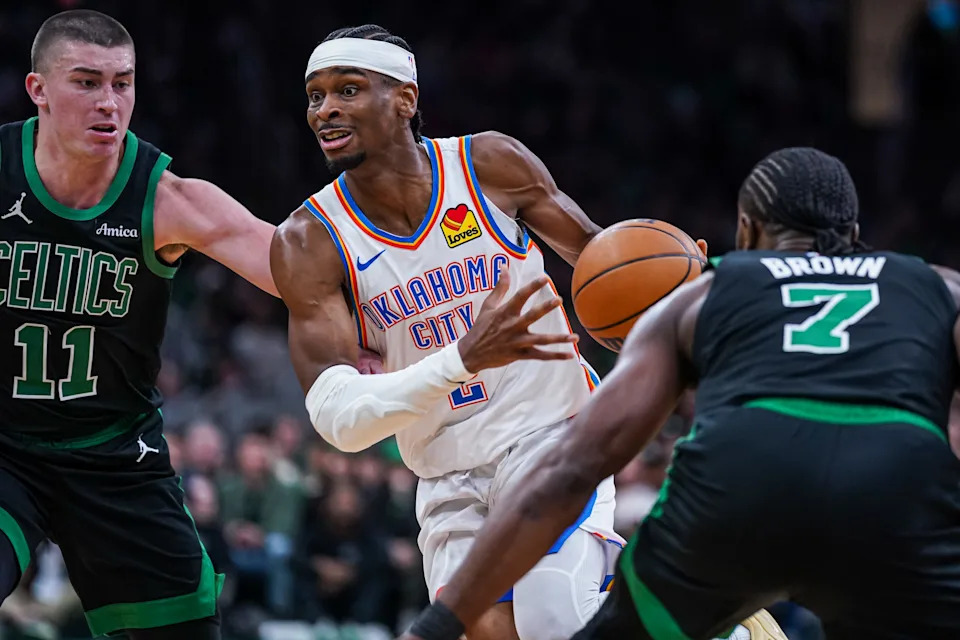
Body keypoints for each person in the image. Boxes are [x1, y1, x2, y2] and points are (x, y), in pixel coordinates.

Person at [398, 146, 960, 640]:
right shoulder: (936, 284)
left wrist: (437, 625)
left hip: (741, 490)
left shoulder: (700, 297)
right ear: (855, 233)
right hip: (894, 485)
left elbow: (574, 465)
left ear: (747, 232)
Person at [270, 23, 632, 640]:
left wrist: (669, 298)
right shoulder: (308, 240)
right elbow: (339, 420)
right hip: (445, 469)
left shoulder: (487, 164)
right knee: (490, 629)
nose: (325, 109)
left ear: (405, 99)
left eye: (348, 90)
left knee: (553, 617)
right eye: (315, 95)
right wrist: (460, 360)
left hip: (553, 431)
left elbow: (603, 264)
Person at [0, 9, 282, 639]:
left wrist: (398, 328)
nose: (109, 102)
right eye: (87, 82)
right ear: (37, 89)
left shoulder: (168, 198)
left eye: (122, 83)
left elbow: (299, 274)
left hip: (115, 452)